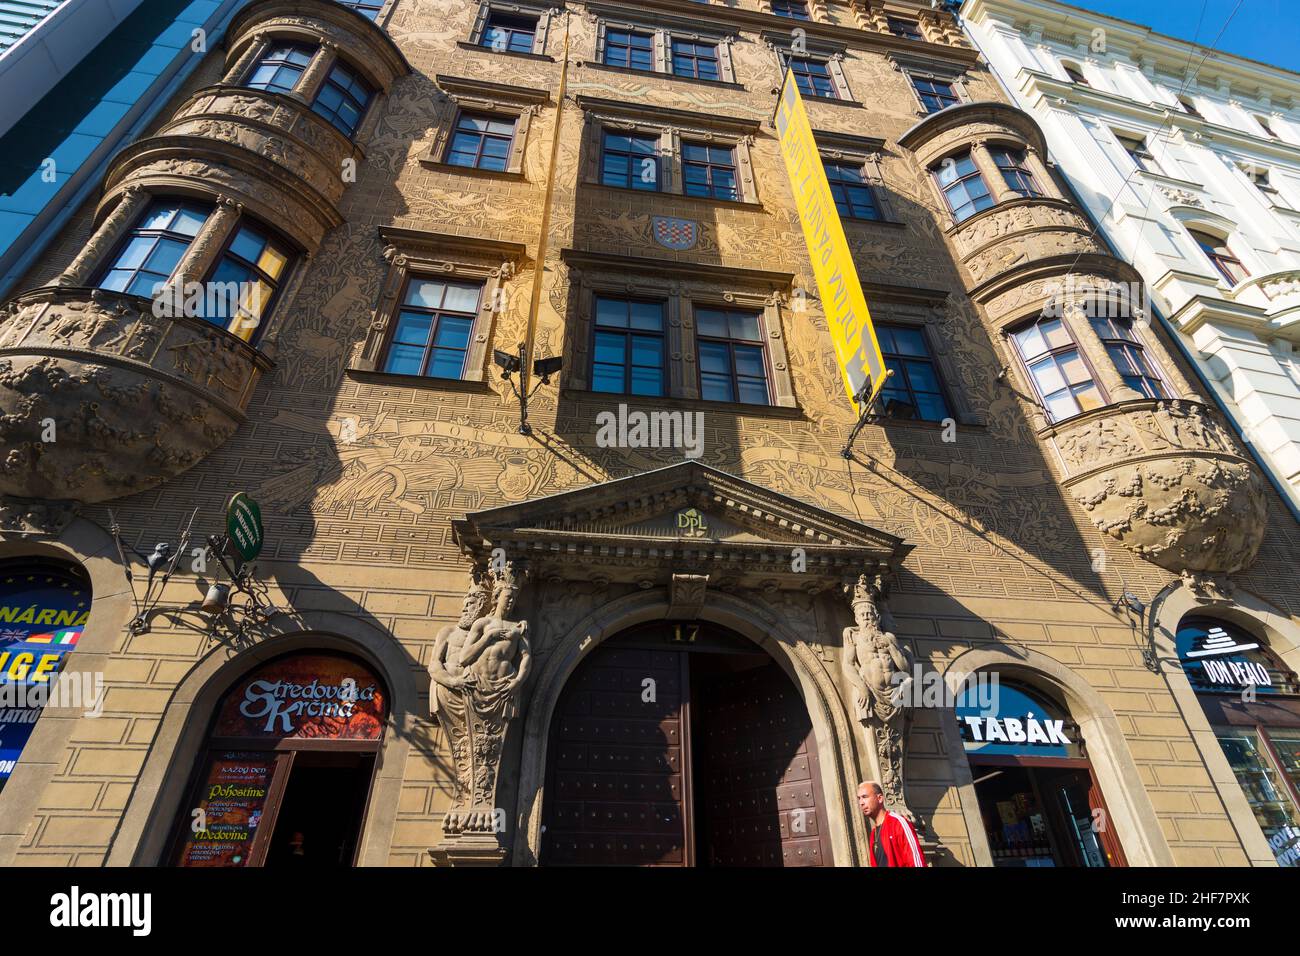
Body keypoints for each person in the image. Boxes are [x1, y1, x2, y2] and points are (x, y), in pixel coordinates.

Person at [859, 780, 925, 867]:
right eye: (859, 798)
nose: (861, 803)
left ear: (880, 798)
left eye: (865, 797)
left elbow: (916, 862)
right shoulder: (873, 834)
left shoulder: (898, 823)